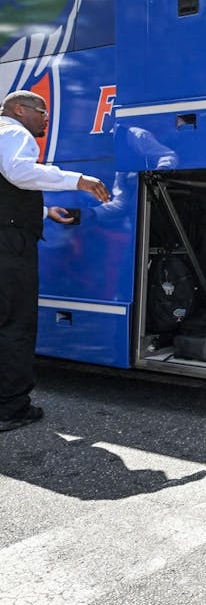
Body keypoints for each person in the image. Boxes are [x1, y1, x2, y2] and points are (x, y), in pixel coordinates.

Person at [0, 91, 111, 432]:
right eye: (41, 110)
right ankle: (11, 408)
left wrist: (43, 210)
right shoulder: (13, 131)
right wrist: (76, 180)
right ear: (19, 110)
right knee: (15, 323)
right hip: (9, 243)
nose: (45, 117)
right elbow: (18, 171)